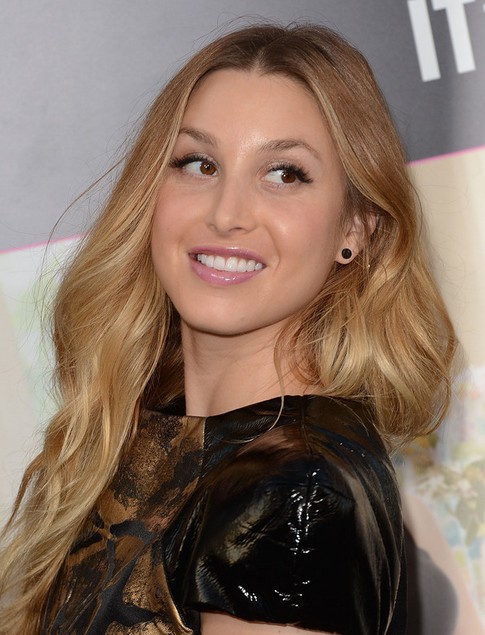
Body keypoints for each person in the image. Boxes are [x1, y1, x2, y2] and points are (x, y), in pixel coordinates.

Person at [0, 23, 457, 634]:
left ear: (355, 228)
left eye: (284, 174)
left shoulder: (294, 490)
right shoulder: (146, 436)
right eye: (199, 163)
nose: (226, 213)